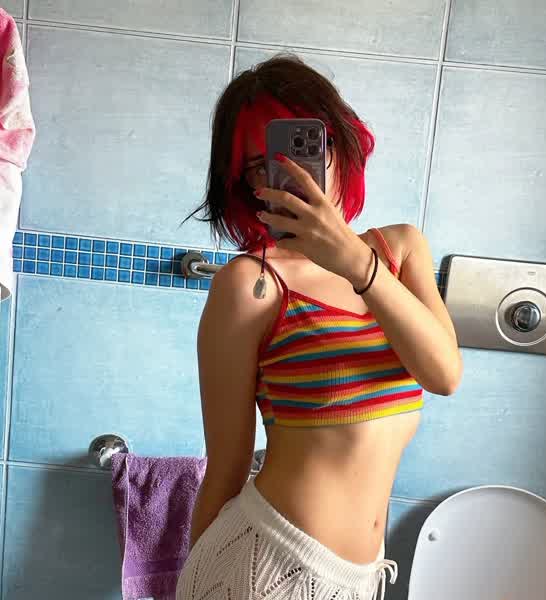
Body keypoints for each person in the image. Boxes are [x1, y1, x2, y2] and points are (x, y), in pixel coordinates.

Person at [176, 54, 462, 600]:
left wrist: (356, 264)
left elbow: (444, 375)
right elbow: (226, 467)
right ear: (246, 184)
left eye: (305, 148)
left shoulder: (401, 251)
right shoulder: (250, 284)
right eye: (261, 165)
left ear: (339, 144)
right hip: (264, 568)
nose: (291, 175)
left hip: (360, 579)